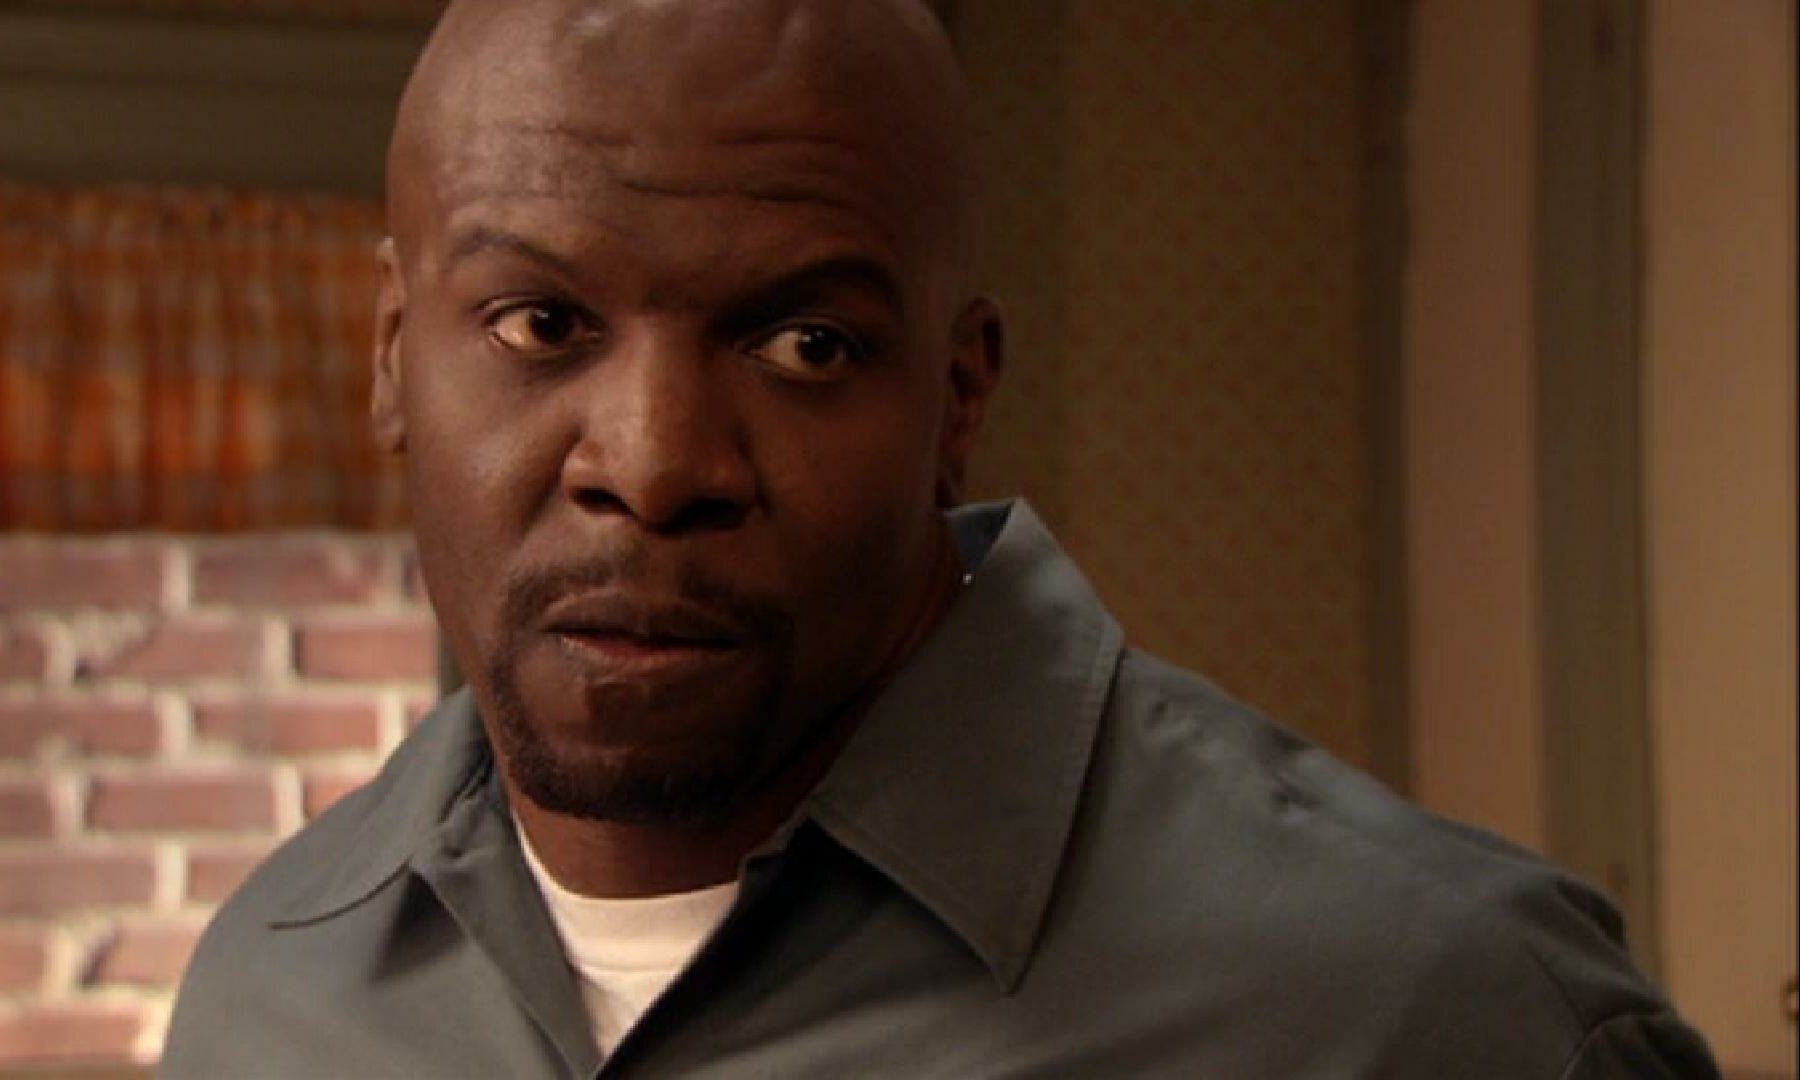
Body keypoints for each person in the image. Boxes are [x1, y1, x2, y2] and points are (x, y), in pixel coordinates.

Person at [163, 1, 1720, 1075]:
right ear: (390, 359)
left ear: (959, 396)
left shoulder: (1442, 1014)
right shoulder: (274, 988)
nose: (654, 466)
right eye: (540, 323)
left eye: (806, 346)